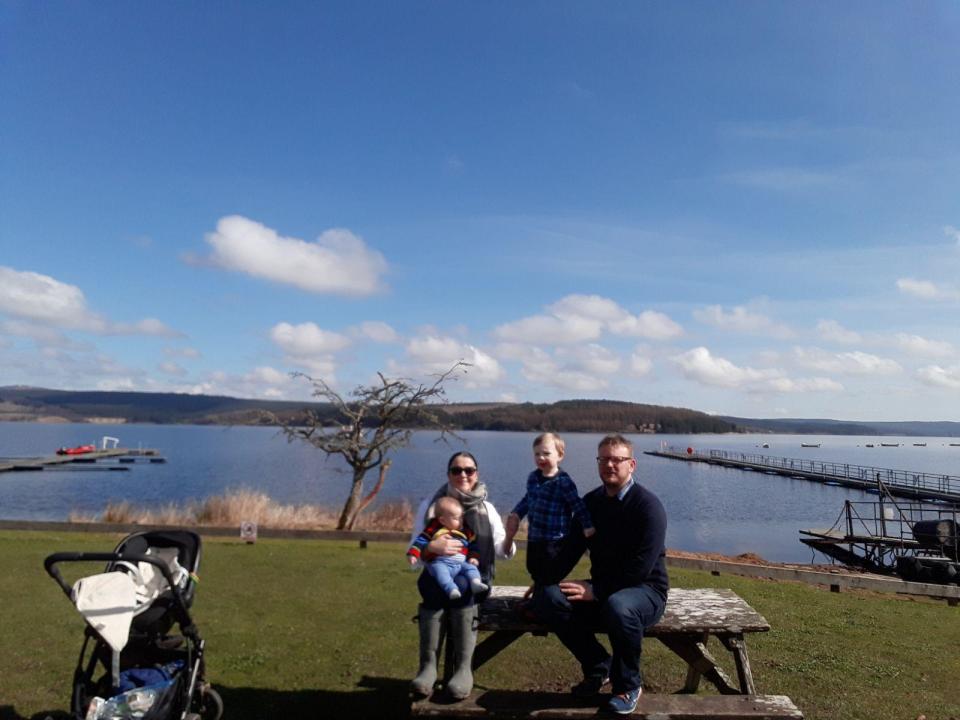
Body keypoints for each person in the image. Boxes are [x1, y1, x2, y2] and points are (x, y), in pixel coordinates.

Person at [531, 434, 668, 715]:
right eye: (604, 459)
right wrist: (542, 582)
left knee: (619, 606)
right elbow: (569, 551)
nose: (610, 465)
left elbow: (640, 568)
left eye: (617, 459)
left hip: (645, 591)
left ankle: (628, 685)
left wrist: (598, 591)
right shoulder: (591, 503)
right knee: (548, 598)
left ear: (632, 464)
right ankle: (598, 666)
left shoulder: (648, 507)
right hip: (605, 590)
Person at [408, 451, 516, 701]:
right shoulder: (431, 506)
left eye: (469, 470)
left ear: (477, 474)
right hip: (439, 577)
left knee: (463, 584)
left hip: (475, 580)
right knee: (430, 584)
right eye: (457, 470)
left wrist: (510, 537)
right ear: (448, 474)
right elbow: (413, 548)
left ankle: (463, 669)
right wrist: (430, 548)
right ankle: (427, 668)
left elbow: (502, 552)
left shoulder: (486, 509)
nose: (463, 475)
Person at [502, 432, 594, 584]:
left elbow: (577, 505)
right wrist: (517, 513)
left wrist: (587, 525)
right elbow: (528, 499)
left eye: (546, 453)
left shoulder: (564, 482)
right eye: (537, 454)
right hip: (534, 537)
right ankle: (537, 598)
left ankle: (544, 601)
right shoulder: (533, 477)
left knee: (549, 573)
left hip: (554, 540)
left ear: (560, 455)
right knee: (533, 568)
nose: (540, 458)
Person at [408, 496, 489, 599]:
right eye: (456, 518)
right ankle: (451, 589)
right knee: (441, 573)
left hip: (460, 563)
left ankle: (475, 582)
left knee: (471, 568)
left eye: (461, 517)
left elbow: (473, 545)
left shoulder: (465, 531)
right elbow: (421, 540)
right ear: (442, 520)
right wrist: (413, 554)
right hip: (441, 562)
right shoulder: (434, 529)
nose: (460, 521)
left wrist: (473, 557)